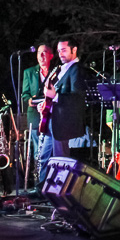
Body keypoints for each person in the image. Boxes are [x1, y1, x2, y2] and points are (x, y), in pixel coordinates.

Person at [39, 38, 87, 176]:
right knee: (44, 157)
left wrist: (55, 96)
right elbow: (53, 93)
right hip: (51, 119)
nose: (60, 54)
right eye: (59, 51)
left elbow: (78, 97)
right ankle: (42, 187)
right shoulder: (60, 69)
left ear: (74, 50)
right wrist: (46, 102)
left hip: (63, 121)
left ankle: (60, 190)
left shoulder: (76, 69)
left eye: (64, 50)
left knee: (61, 159)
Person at [21, 44, 54, 183]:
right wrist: (30, 101)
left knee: (51, 149)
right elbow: (25, 94)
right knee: (37, 151)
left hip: (52, 114)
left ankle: (51, 182)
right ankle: (38, 183)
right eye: (39, 53)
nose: (41, 56)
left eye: (44, 52)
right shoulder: (29, 72)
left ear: (51, 55)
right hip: (35, 115)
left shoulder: (56, 71)